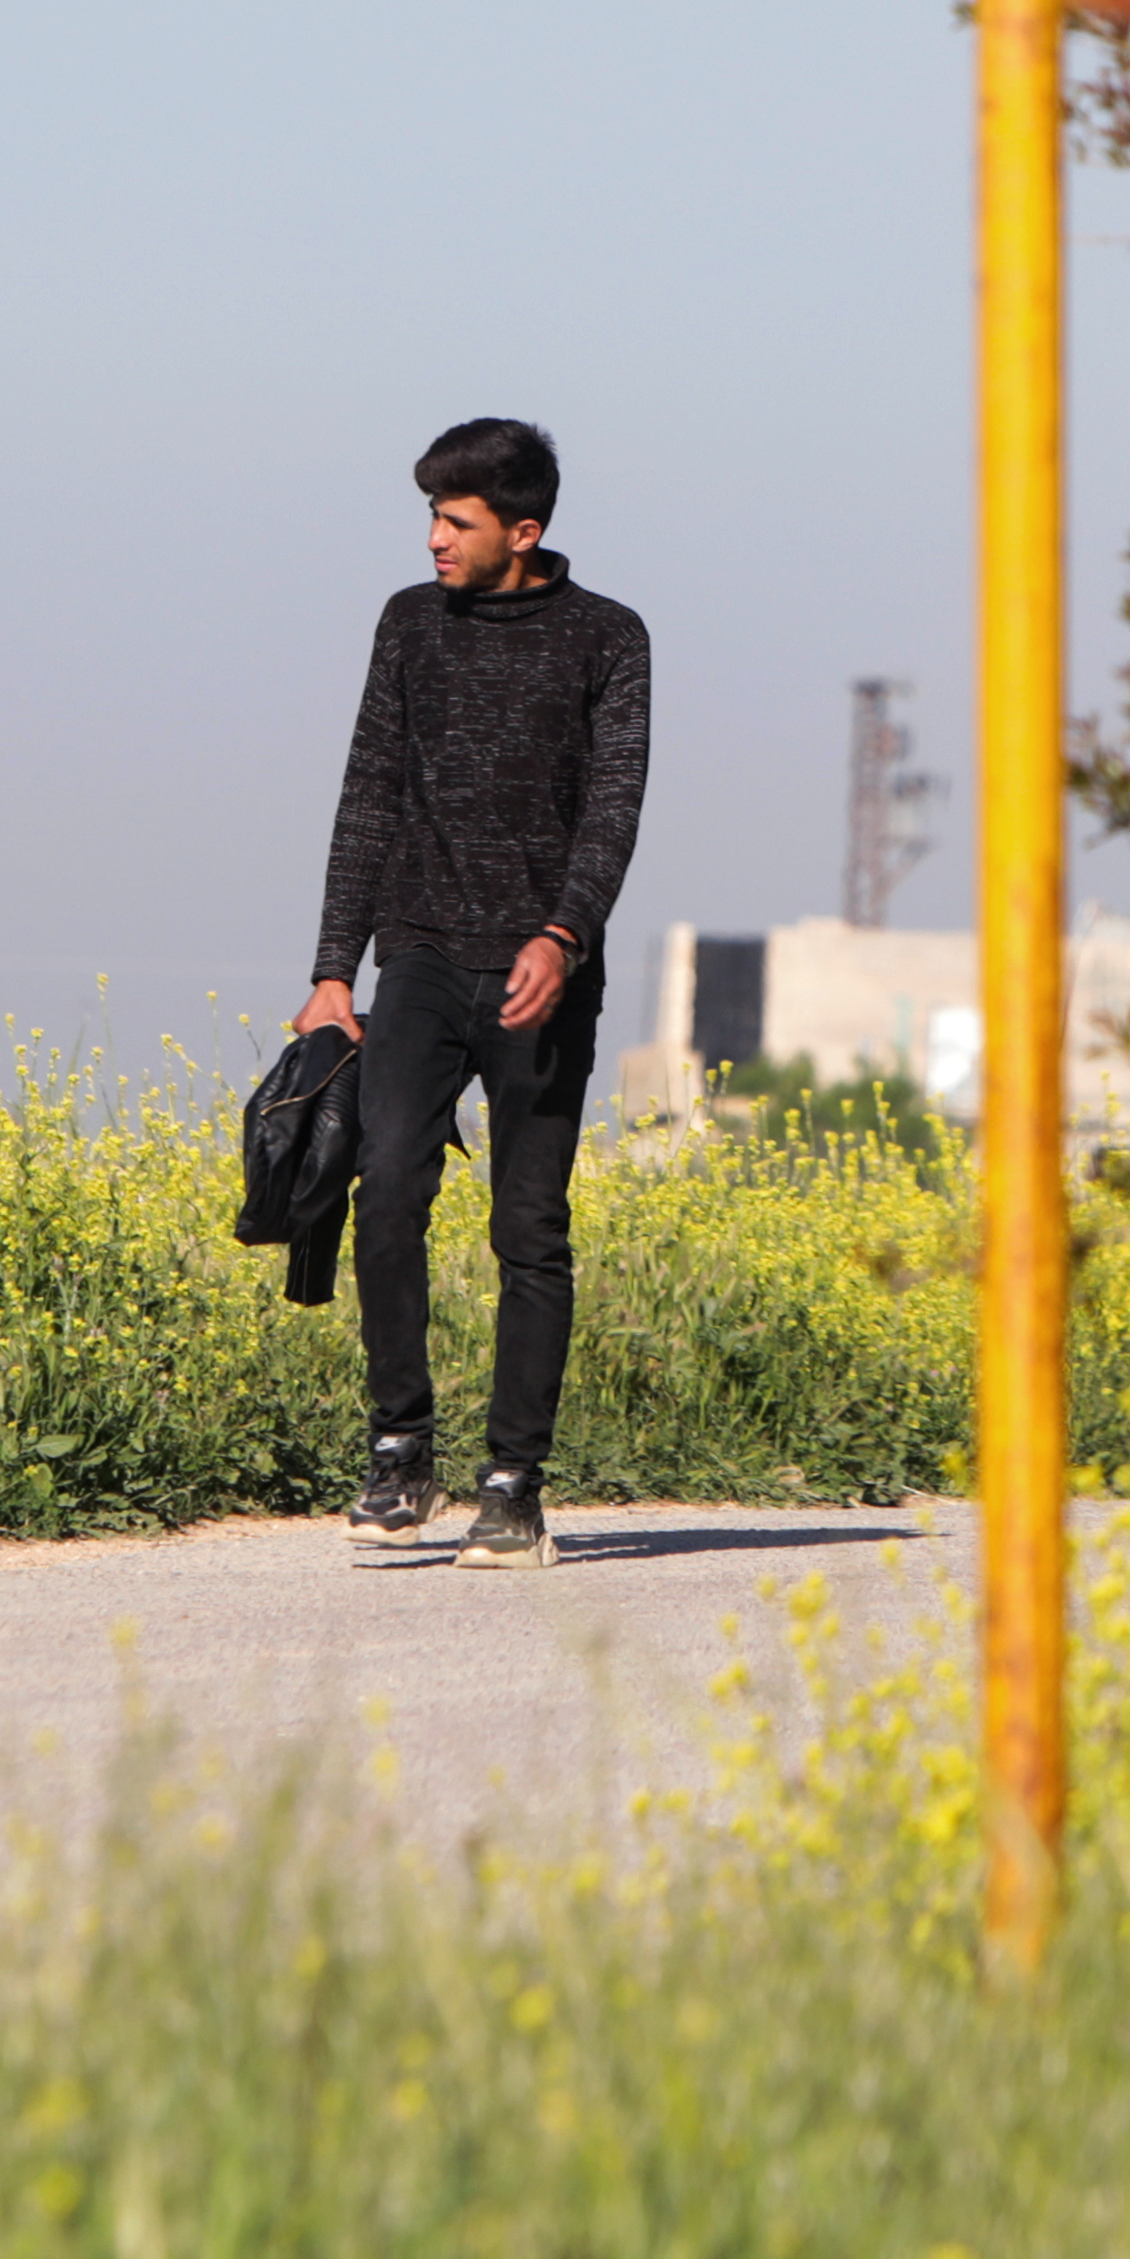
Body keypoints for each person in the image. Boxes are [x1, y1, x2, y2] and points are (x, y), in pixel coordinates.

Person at [299, 417, 649, 1566]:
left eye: (455, 521)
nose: (434, 539)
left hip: (543, 974)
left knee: (526, 1227)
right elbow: (368, 792)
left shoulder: (608, 637)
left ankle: (513, 1482)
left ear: (523, 530)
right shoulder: (409, 622)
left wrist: (564, 932)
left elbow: (611, 807)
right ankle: (401, 1446)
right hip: (421, 956)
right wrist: (331, 969)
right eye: (431, 518)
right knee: (384, 1183)